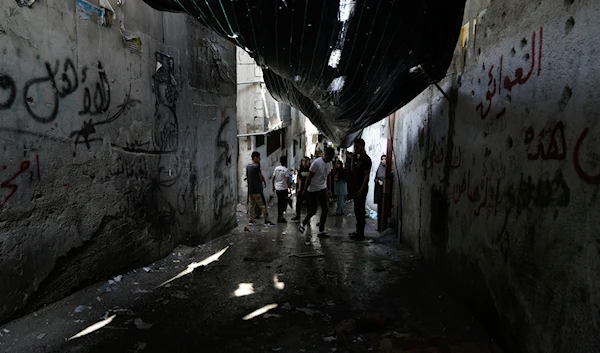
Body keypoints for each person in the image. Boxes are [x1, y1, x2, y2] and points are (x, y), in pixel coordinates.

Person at [298, 148, 335, 236]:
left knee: (325, 209)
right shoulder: (316, 163)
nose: (332, 159)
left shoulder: (329, 163)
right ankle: (302, 224)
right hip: (313, 189)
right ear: (326, 154)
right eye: (331, 157)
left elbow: (329, 176)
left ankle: (321, 230)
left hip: (323, 188)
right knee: (313, 210)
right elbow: (309, 177)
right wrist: (304, 190)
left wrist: (329, 189)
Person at [349, 139, 372, 240]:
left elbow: (367, 176)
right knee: (357, 210)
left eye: (357, 147)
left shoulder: (366, 159)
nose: (355, 149)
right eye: (354, 147)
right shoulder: (358, 159)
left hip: (361, 189)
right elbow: (352, 170)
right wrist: (353, 159)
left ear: (362, 146)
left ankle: (361, 233)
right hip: (356, 187)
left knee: (361, 210)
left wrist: (361, 190)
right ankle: (358, 231)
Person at [246, 152, 276, 226]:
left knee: (251, 205)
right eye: (259, 158)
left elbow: (247, 176)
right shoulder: (256, 166)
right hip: (257, 190)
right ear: (255, 157)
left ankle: (251, 220)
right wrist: (264, 182)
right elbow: (261, 176)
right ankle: (267, 220)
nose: (260, 159)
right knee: (263, 205)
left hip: (250, 190)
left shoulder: (248, 166)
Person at [272, 155, 291, 223]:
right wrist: (289, 187)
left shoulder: (276, 168)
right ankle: (281, 216)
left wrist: (273, 186)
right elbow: (287, 180)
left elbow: (273, 178)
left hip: (278, 188)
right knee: (284, 203)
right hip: (284, 189)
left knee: (279, 202)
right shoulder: (286, 170)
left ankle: (279, 216)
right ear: (285, 162)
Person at [292, 157, 311, 222]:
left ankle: (308, 218)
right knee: (298, 203)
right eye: (303, 161)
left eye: (306, 161)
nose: (305, 162)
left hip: (309, 189)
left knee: (309, 204)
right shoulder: (300, 169)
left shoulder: (310, 169)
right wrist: (299, 189)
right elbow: (299, 179)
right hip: (302, 188)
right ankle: (297, 216)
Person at [374, 155, 386, 231]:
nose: (383, 161)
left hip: (385, 192)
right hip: (379, 191)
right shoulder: (379, 168)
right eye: (382, 159)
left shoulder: (388, 169)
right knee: (380, 209)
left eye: (385, 159)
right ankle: (379, 227)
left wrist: (384, 183)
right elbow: (375, 178)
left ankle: (383, 227)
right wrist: (378, 181)